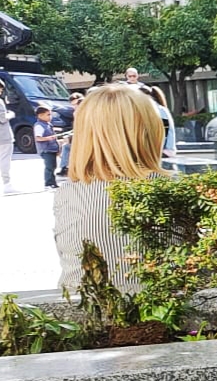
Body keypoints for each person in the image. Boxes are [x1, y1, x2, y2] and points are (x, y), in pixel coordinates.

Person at [54, 83, 167, 297]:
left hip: (79, 314)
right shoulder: (172, 192)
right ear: (151, 131)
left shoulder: (67, 194)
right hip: (165, 315)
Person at [33, 105, 62, 188]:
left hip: (52, 149)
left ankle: (53, 182)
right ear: (40, 116)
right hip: (46, 150)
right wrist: (49, 138)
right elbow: (38, 138)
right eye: (48, 115)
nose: (50, 116)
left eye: (50, 114)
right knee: (49, 167)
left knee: (53, 166)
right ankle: (48, 183)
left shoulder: (48, 124)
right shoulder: (39, 125)